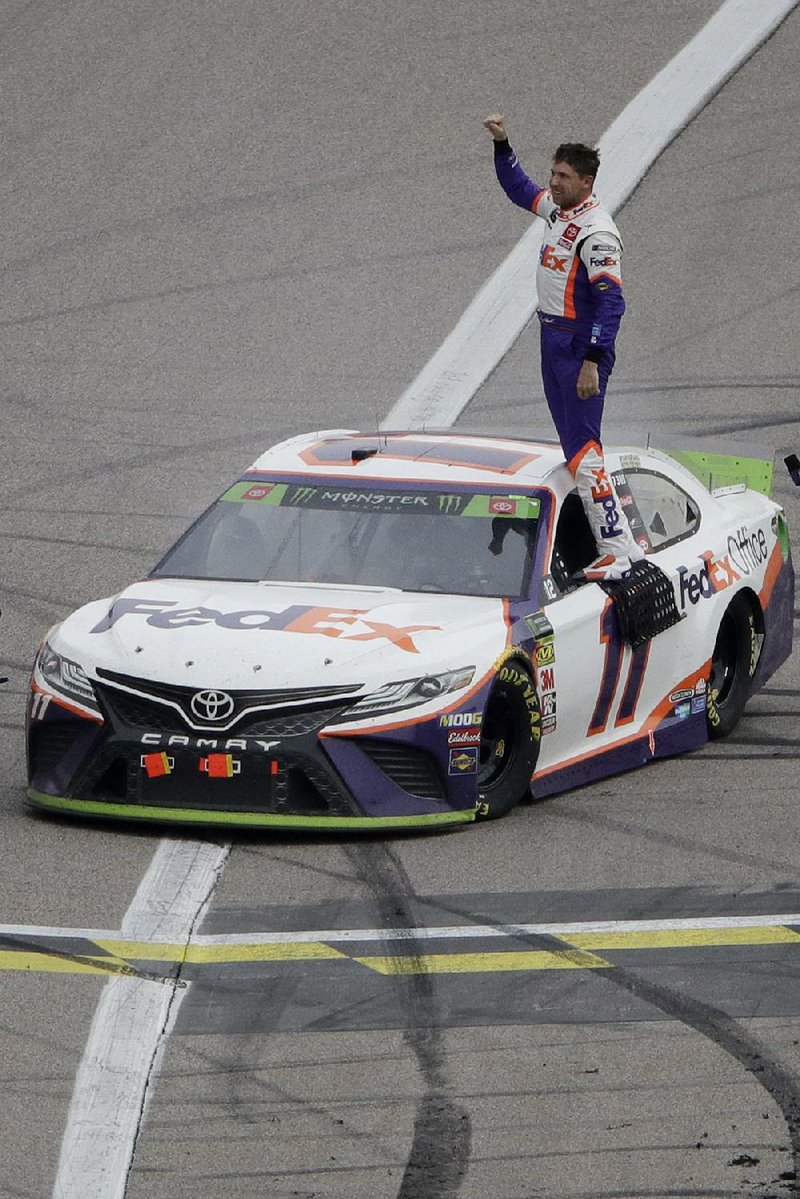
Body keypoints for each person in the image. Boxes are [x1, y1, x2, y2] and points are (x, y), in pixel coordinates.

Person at [483, 113, 644, 581]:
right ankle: (610, 541)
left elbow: (612, 303)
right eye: (553, 174)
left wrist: (592, 360)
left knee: (583, 449)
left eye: (563, 177)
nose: (552, 182)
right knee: (573, 447)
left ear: (587, 182)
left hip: (578, 347)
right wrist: (503, 145)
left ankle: (617, 547)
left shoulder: (597, 232)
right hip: (553, 338)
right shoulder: (559, 212)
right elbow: (519, 188)